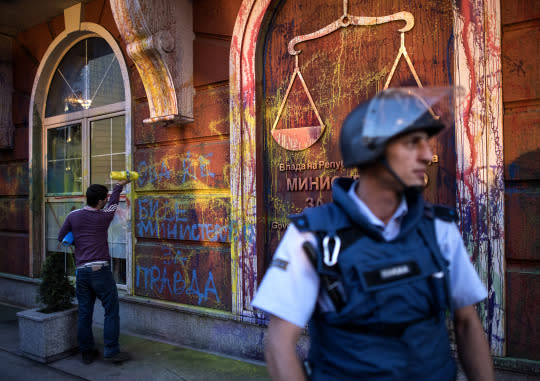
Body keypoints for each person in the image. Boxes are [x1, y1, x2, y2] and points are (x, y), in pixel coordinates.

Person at [252, 88, 494, 381]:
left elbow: (467, 322)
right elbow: (279, 344)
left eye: (426, 144)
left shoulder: (439, 230)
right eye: (412, 143)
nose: (427, 155)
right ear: (371, 148)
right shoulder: (312, 237)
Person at [58, 180, 131, 365]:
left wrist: (80, 243)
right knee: (111, 311)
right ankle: (111, 351)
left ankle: (87, 352)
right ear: (99, 201)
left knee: (84, 312)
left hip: (82, 272)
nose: (106, 202)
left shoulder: (73, 215)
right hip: (100, 270)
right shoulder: (103, 217)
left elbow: (61, 238)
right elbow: (114, 202)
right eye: (104, 199)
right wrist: (119, 186)